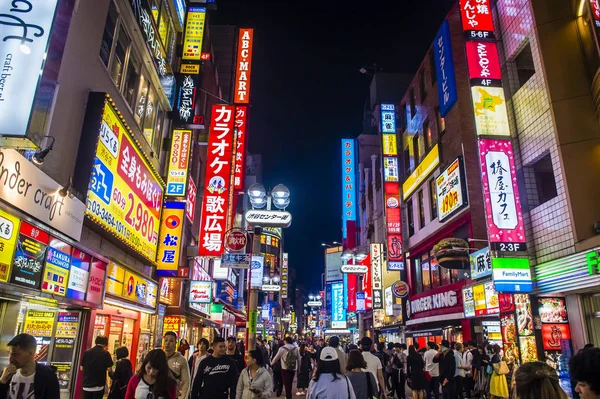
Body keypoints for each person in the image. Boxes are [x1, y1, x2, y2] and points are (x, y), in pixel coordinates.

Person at [0, 333, 59, 399]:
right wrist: (2, 382)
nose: (10, 359)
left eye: (15, 355)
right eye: (9, 354)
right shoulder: (7, 373)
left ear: (31, 353)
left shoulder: (48, 376)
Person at [163, 332, 191, 399]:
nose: (168, 343)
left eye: (171, 341)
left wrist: (182, 397)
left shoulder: (182, 360)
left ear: (175, 343)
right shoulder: (158, 357)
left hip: (174, 396)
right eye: (166, 340)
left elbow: (186, 382)